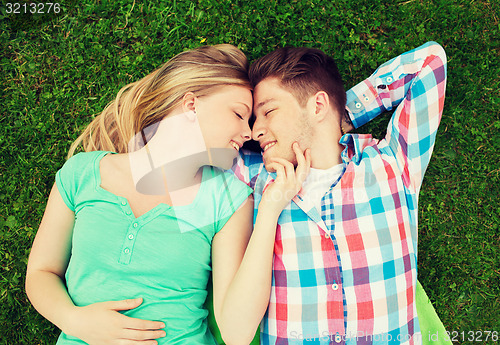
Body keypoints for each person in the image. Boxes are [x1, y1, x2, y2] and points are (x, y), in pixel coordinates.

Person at [25, 44, 310, 345]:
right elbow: (42, 272)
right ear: (190, 105)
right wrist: (75, 320)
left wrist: (268, 211)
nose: (249, 132)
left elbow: (235, 333)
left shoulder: (229, 199)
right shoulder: (82, 174)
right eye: (239, 114)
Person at [231, 41, 447, 344]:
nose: (255, 131)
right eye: (254, 120)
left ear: (318, 105)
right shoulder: (253, 177)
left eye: (268, 112)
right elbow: (177, 158)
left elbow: (429, 62)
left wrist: (340, 116)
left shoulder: (393, 165)